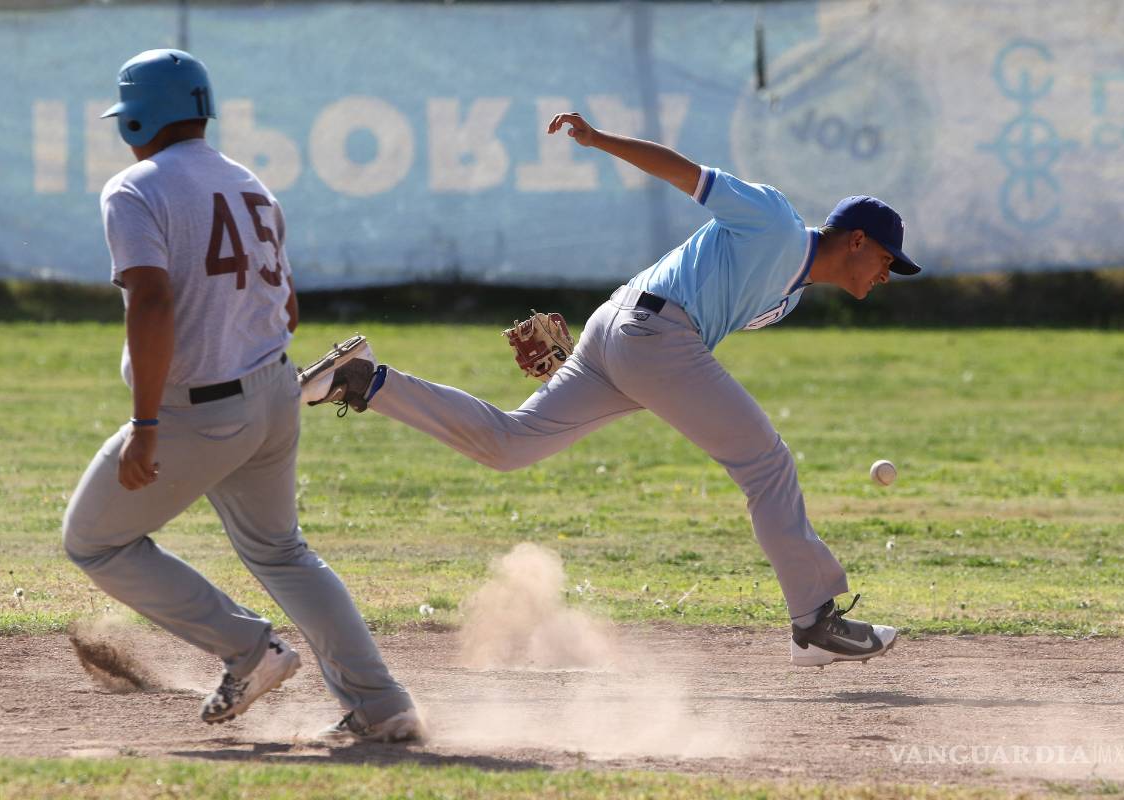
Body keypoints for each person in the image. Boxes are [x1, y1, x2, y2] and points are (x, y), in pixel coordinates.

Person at [303, 112, 920, 668]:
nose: (886, 277)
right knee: (766, 462)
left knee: (509, 445)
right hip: (650, 332)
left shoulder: (785, 297)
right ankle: (814, 620)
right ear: (857, 240)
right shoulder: (777, 222)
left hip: (628, 330)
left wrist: (615, 359)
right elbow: (688, 175)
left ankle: (365, 381)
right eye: (887, 262)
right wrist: (598, 140)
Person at [62, 49, 422, 741]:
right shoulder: (252, 185)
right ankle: (382, 705)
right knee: (283, 553)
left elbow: (154, 302)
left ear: (138, 115)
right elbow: (286, 310)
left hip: (199, 410)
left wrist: (145, 422)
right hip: (274, 393)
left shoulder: (134, 189)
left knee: (96, 542)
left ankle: (248, 650)